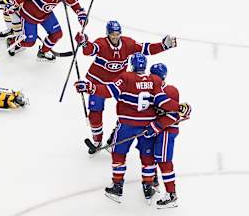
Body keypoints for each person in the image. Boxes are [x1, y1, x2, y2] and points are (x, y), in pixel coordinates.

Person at [74, 53, 191, 203]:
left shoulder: (126, 77)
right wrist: (179, 107)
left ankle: (117, 185)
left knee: (118, 152)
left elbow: (108, 91)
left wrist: (90, 87)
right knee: (147, 157)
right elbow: (162, 101)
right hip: (147, 127)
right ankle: (149, 185)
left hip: (127, 125)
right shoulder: (154, 80)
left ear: (132, 65)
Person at [74, 20, 177, 150]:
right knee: (95, 113)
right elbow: (90, 50)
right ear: (107, 34)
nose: (115, 36)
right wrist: (84, 42)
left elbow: (145, 49)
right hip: (98, 81)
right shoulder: (102, 43)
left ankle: (114, 138)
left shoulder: (128, 43)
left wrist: (163, 46)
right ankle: (97, 141)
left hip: (119, 83)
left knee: (129, 110)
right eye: (112, 34)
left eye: (117, 33)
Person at [4, 0, 87, 61]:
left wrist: (81, 13)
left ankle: (42, 52)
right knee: (30, 42)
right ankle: (12, 41)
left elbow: (73, 2)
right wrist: (14, 3)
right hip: (29, 15)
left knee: (57, 34)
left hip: (46, 15)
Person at [143, 63, 188, 208]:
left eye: (156, 75)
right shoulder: (150, 90)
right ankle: (154, 181)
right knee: (153, 157)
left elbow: (175, 114)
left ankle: (171, 194)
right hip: (156, 130)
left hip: (167, 131)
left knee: (163, 160)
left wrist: (155, 126)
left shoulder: (170, 90)